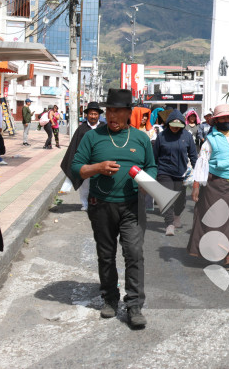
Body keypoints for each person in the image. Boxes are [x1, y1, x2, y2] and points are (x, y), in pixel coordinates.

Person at [72, 89, 156, 328]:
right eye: (109, 110)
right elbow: (77, 166)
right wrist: (97, 167)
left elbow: (151, 166)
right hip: (101, 206)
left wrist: (146, 183)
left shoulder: (140, 139)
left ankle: (134, 305)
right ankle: (109, 299)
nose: (112, 115)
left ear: (129, 113)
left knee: (134, 253)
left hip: (132, 206)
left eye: (118, 110)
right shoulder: (93, 137)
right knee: (106, 255)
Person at [188, 104, 229, 270]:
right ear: (216, 120)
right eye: (222, 118)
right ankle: (226, 252)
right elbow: (202, 161)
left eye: (228, 117)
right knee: (218, 220)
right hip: (217, 184)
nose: (225, 120)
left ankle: (227, 249)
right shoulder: (211, 140)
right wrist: (196, 184)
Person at [154, 110, 198, 236]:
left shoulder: (187, 136)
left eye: (178, 127)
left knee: (181, 200)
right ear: (168, 124)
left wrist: (198, 172)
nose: (175, 129)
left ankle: (177, 215)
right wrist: (155, 171)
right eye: (173, 126)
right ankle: (169, 224)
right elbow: (155, 156)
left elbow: (193, 156)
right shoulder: (162, 136)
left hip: (181, 173)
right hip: (164, 171)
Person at [61, 102, 105, 211]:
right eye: (91, 114)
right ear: (87, 115)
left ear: (99, 115)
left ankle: (98, 204)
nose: (93, 116)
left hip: (100, 162)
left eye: (95, 114)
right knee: (85, 186)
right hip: (85, 163)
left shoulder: (104, 128)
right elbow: (74, 146)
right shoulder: (81, 129)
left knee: (99, 185)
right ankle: (85, 204)